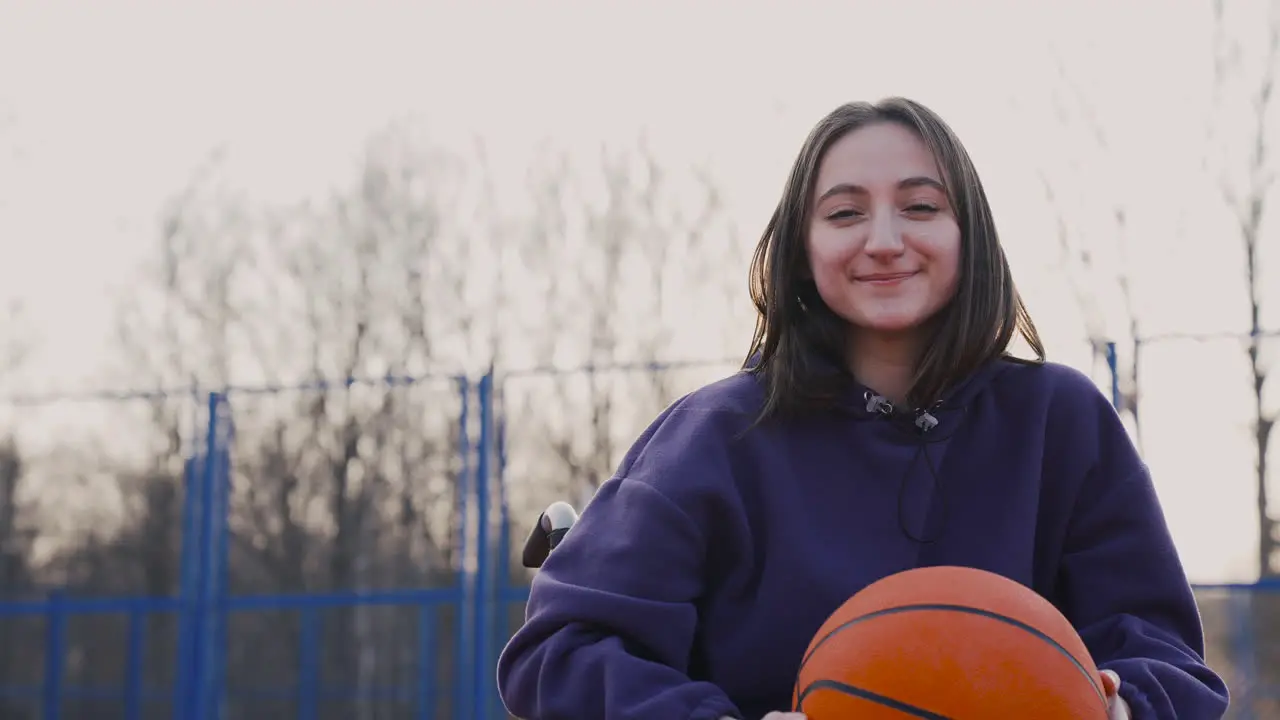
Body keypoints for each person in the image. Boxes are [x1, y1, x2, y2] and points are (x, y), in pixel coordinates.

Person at [495, 97, 1230, 720]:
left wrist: (1117, 704)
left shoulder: (1060, 421)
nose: (884, 241)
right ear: (801, 248)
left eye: (919, 206)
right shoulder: (718, 437)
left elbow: (1166, 660)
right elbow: (561, 648)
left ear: (967, 235)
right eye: (844, 214)